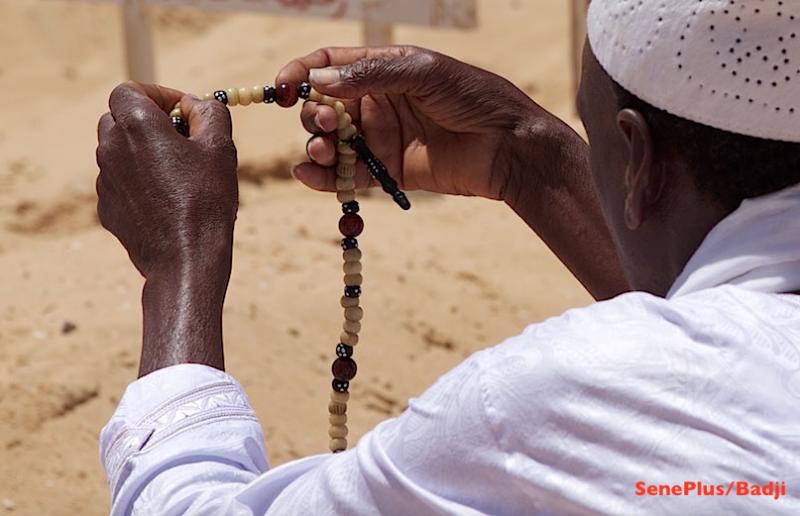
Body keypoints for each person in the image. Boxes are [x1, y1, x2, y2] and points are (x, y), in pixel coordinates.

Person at [96, 1, 800, 514]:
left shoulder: (561, 397)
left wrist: (179, 262)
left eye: (593, 143)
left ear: (640, 161)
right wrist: (528, 155)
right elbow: (720, 344)